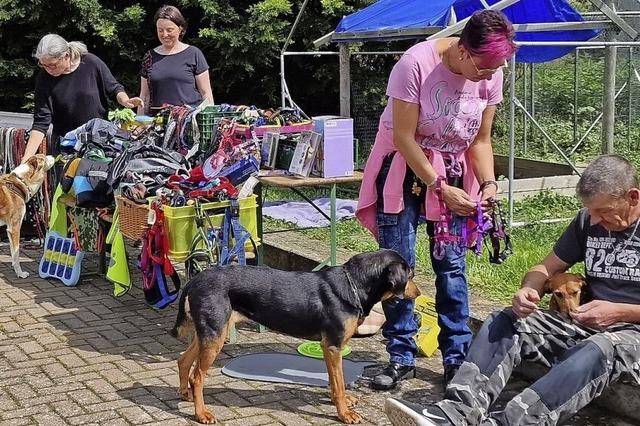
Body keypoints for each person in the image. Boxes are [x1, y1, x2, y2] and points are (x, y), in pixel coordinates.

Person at [385, 154, 640, 426]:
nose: (595, 219)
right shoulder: (586, 222)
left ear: (632, 197)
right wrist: (529, 288)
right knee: (504, 320)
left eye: (603, 211)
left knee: (599, 348)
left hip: (630, 336)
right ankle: (455, 414)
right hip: (589, 323)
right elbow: (544, 268)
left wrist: (619, 312)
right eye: (591, 211)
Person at [355, 10, 516, 390]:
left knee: (453, 267)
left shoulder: (492, 72)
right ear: (462, 50)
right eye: (484, 67)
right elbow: (404, 139)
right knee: (397, 267)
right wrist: (437, 186)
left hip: (455, 174)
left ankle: (457, 358)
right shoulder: (414, 64)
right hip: (405, 168)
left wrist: (489, 185)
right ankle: (400, 357)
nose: (489, 76)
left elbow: (480, 140)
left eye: (497, 68)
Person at [23, 34, 143, 161]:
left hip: (98, 141)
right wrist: (27, 157)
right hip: (65, 146)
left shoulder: (91, 62)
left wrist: (125, 100)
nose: (48, 70)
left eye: (52, 65)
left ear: (66, 56)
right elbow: (41, 122)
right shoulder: (43, 79)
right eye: (43, 65)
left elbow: (113, 88)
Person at [138, 5, 213, 115]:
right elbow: (144, 96)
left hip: (189, 122)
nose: (165, 34)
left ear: (180, 28)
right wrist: (139, 122)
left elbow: (206, 93)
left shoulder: (194, 54)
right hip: (158, 123)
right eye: (160, 30)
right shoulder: (149, 57)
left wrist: (209, 122)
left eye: (169, 30)